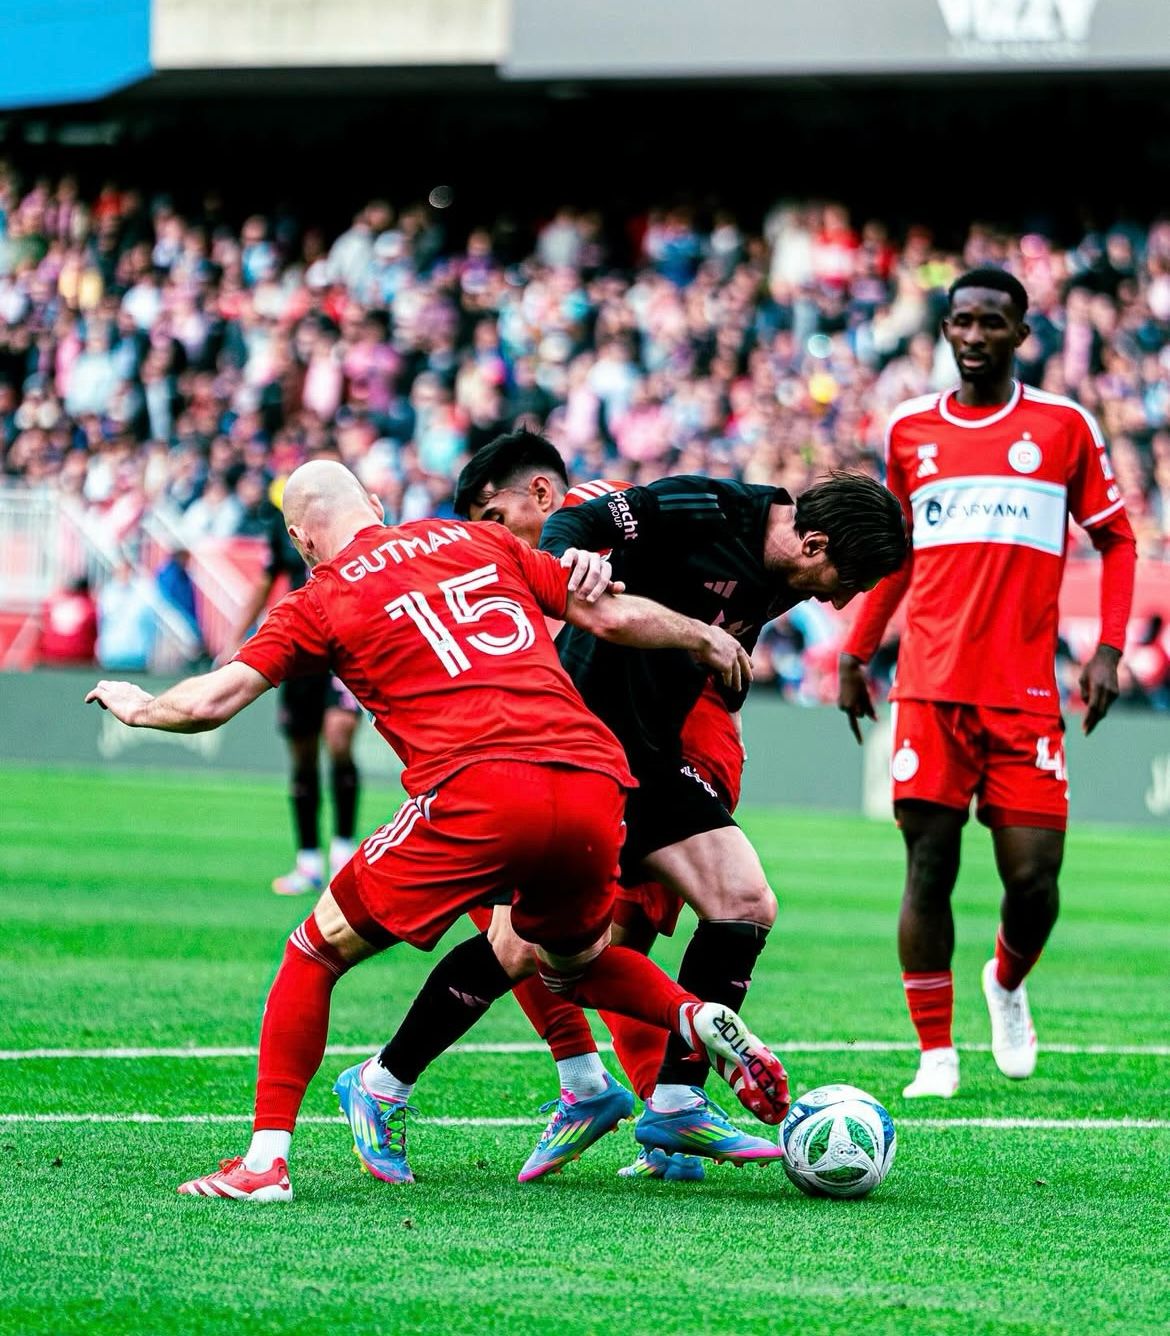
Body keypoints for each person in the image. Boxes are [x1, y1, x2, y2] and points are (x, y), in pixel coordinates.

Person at [85, 459, 790, 1201]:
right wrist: (704, 639)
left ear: (300, 538)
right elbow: (611, 614)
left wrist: (143, 706)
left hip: (477, 787)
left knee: (314, 952)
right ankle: (695, 1013)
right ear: (378, 504)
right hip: (593, 777)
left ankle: (265, 1163)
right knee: (575, 963)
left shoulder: (319, 598)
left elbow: (213, 701)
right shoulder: (476, 542)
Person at [359, 432, 909, 1183]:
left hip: (649, 757)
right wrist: (570, 561)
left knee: (745, 900)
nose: (841, 599)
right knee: (520, 948)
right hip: (579, 742)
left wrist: (721, 666)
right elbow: (581, 522)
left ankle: (677, 1100)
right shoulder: (706, 507)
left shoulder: (789, 566)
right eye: (846, 580)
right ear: (813, 542)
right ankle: (381, 1082)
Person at [837, 268, 1137, 1099]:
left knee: (1034, 880)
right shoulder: (908, 432)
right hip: (930, 688)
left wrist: (1108, 648)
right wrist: (855, 652)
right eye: (960, 322)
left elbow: (1117, 540)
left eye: (990, 324)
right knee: (927, 870)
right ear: (945, 329)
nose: (973, 337)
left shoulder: (1063, 427)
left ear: (1021, 333)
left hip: (1024, 694)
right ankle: (936, 1055)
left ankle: (1004, 983)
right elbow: (892, 557)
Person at [223, 479, 362, 895]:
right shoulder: (284, 536)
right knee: (302, 760)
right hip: (300, 654)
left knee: (339, 741)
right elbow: (265, 584)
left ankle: (343, 850)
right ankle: (307, 860)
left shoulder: (345, 528)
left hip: (341, 652)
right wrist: (235, 641)